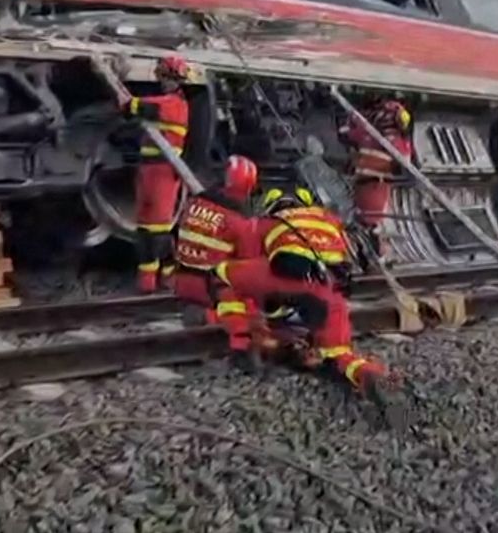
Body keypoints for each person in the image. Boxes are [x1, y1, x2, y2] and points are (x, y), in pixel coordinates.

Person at [213, 186, 395, 403]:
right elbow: (359, 247)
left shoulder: (268, 223)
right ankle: (366, 374)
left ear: (271, 206)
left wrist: (258, 315)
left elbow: (250, 262)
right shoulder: (328, 218)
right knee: (338, 352)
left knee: (222, 274)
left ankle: (243, 345)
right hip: (328, 291)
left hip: (289, 282)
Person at [125, 54, 190, 293]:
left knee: (157, 230)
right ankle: (149, 282)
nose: (161, 81)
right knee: (145, 229)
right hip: (150, 169)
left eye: (164, 76)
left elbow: (133, 106)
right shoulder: (168, 103)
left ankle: (166, 279)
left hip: (162, 171)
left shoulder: (173, 105)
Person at [172, 156, 261, 310]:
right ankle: (213, 317)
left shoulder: (194, 203)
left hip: (180, 282)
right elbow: (249, 260)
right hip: (210, 290)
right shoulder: (240, 222)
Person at [338, 95, 413, 261]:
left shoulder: (370, 130)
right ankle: (368, 253)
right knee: (368, 219)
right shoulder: (395, 139)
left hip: (368, 183)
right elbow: (404, 163)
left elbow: (349, 133)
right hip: (372, 185)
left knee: (366, 219)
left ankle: (366, 251)